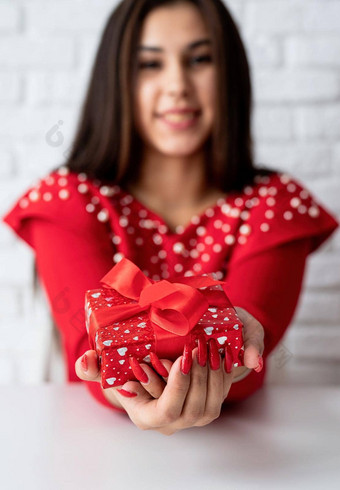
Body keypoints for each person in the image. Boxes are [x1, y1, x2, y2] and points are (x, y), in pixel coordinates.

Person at [2, 0, 339, 436]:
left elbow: (253, 342)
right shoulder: (64, 199)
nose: (177, 85)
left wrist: (237, 355)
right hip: (87, 456)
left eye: (200, 59)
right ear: (118, 80)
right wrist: (134, 391)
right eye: (150, 64)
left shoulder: (275, 204)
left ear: (230, 74)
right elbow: (88, 352)